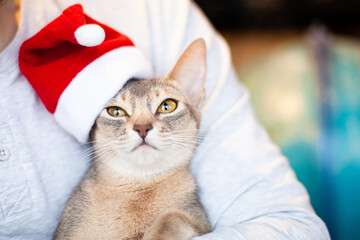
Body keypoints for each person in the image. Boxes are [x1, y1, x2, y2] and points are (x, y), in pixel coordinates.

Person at [0, 0, 330, 239]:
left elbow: (295, 226)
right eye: (117, 112)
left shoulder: (157, 11)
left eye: (167, 106)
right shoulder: (86, 203)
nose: (141, 125)